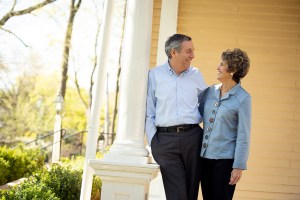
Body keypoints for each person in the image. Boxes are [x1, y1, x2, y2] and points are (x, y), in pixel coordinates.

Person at [145, 33, 207, 200]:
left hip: (193, 138)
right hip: (165, 142)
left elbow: (205, 105)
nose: (192, 55)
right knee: (177, 194)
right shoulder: (155, 75)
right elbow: (149, 111)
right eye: (188, 51)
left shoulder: (196, 75)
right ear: (174, 52)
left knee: (191, 192)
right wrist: (153, 141)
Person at [198, 48, 251, 200]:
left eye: (222, 64)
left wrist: (238, 166)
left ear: (232, 70)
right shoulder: (210, 91)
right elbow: (197, 115)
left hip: (226, 162)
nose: (218, 67)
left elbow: (244, 135)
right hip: (205, 159)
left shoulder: (243, 98)